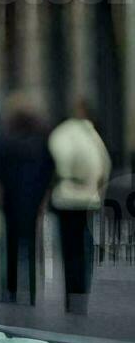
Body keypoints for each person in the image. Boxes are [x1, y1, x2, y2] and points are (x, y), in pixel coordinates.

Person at [48, 99, 112, 314]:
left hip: (65, 198)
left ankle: (72, 295)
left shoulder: (62, 133)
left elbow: (57, 163)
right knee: (84, 250)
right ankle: (81, 293)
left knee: (69, 250)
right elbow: (105, 165)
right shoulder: (90, 134)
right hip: (88, 200)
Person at [0, 93, 54, 305]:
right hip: (32, 200)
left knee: (8, 246)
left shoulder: (5, 138)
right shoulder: (42, 140)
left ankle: (8, 290)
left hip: (9, 200)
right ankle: (31, 291)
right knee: (30, 245)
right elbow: (48, 172)